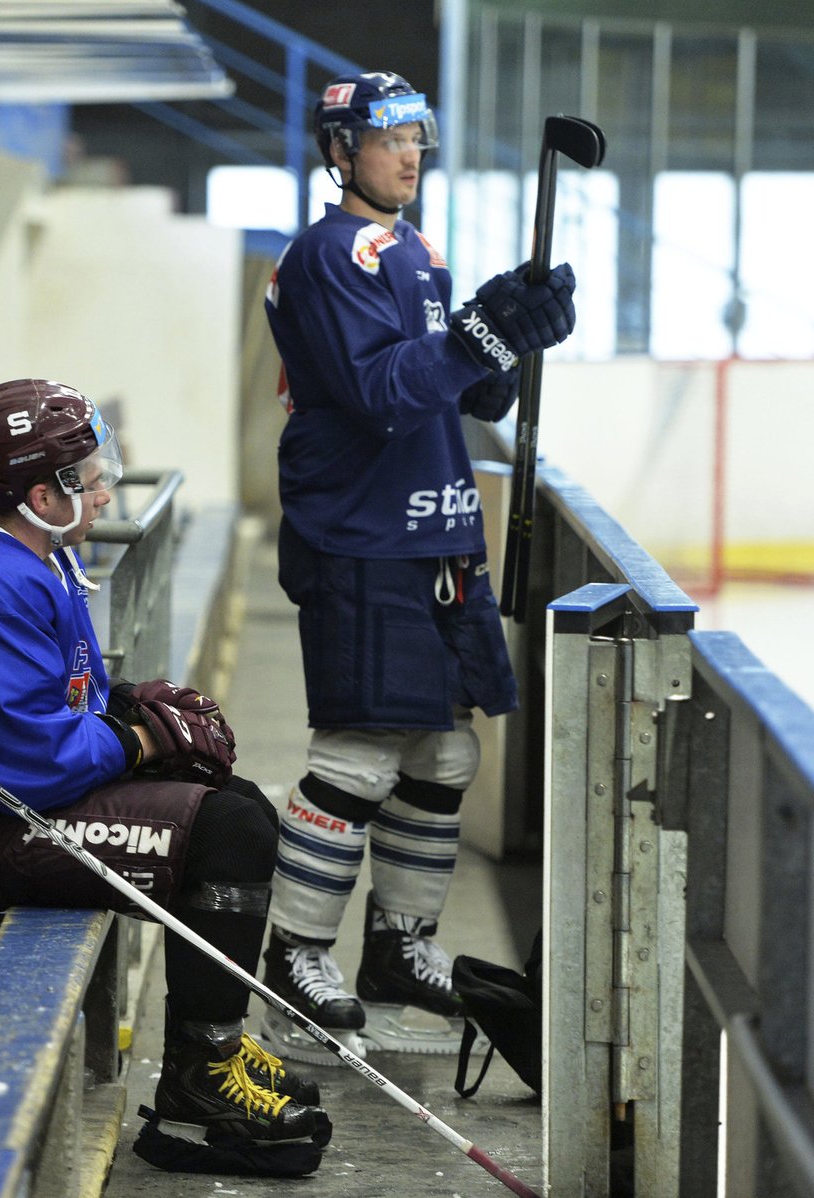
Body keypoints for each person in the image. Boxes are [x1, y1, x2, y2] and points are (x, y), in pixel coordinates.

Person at [0, 378, 325, 1147]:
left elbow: (59, 701)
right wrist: (140, 740)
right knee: (229, 832)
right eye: (92, 479)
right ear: (43, 494)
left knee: (233, 800)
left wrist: (129, 706)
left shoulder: (32, 552)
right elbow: (27, 761)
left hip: (11, 805)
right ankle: (198, 1079)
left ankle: (216, 1043)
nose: (107, 492)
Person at [260, 71, 578, 1062]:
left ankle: (400, 945)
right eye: (389, 136)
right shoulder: (324, 255)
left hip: (434, 533)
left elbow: (458, 395)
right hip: (360, 535)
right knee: (359, 756)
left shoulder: (418, 253)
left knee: (445, 756)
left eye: (419, 136)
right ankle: (295, 951)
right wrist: (480, 335)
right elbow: (379, 391)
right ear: (341, 148)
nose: (410, 153)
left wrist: (511, 334)